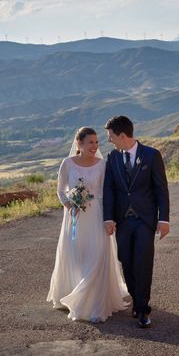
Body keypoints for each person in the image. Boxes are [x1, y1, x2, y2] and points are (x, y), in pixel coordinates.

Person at [47, 127, 129, 322]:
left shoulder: (103, 165)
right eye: (90, 142)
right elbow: (60, 190)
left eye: (96, 142)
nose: (94, 146)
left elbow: (108, 193)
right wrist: (69, 204)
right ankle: (74, 293)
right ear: (79, 144)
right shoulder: (67, 164)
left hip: (97, 216)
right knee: (78, 257)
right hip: (75, 217)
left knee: (97, 257)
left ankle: (93, 304)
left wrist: (111, 218)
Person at [103, 115, 170, 328]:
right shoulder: (112, 157)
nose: (110, 140)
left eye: (111, 136)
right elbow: (109, 190)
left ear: (122, 135)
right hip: (123, 220)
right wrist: (109, 218)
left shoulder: (151, 155)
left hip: (145, 220)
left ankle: (142, 308)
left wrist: (164, 219)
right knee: (126, 261)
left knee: (143, 262)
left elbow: (161, 189)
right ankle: (135, 298)